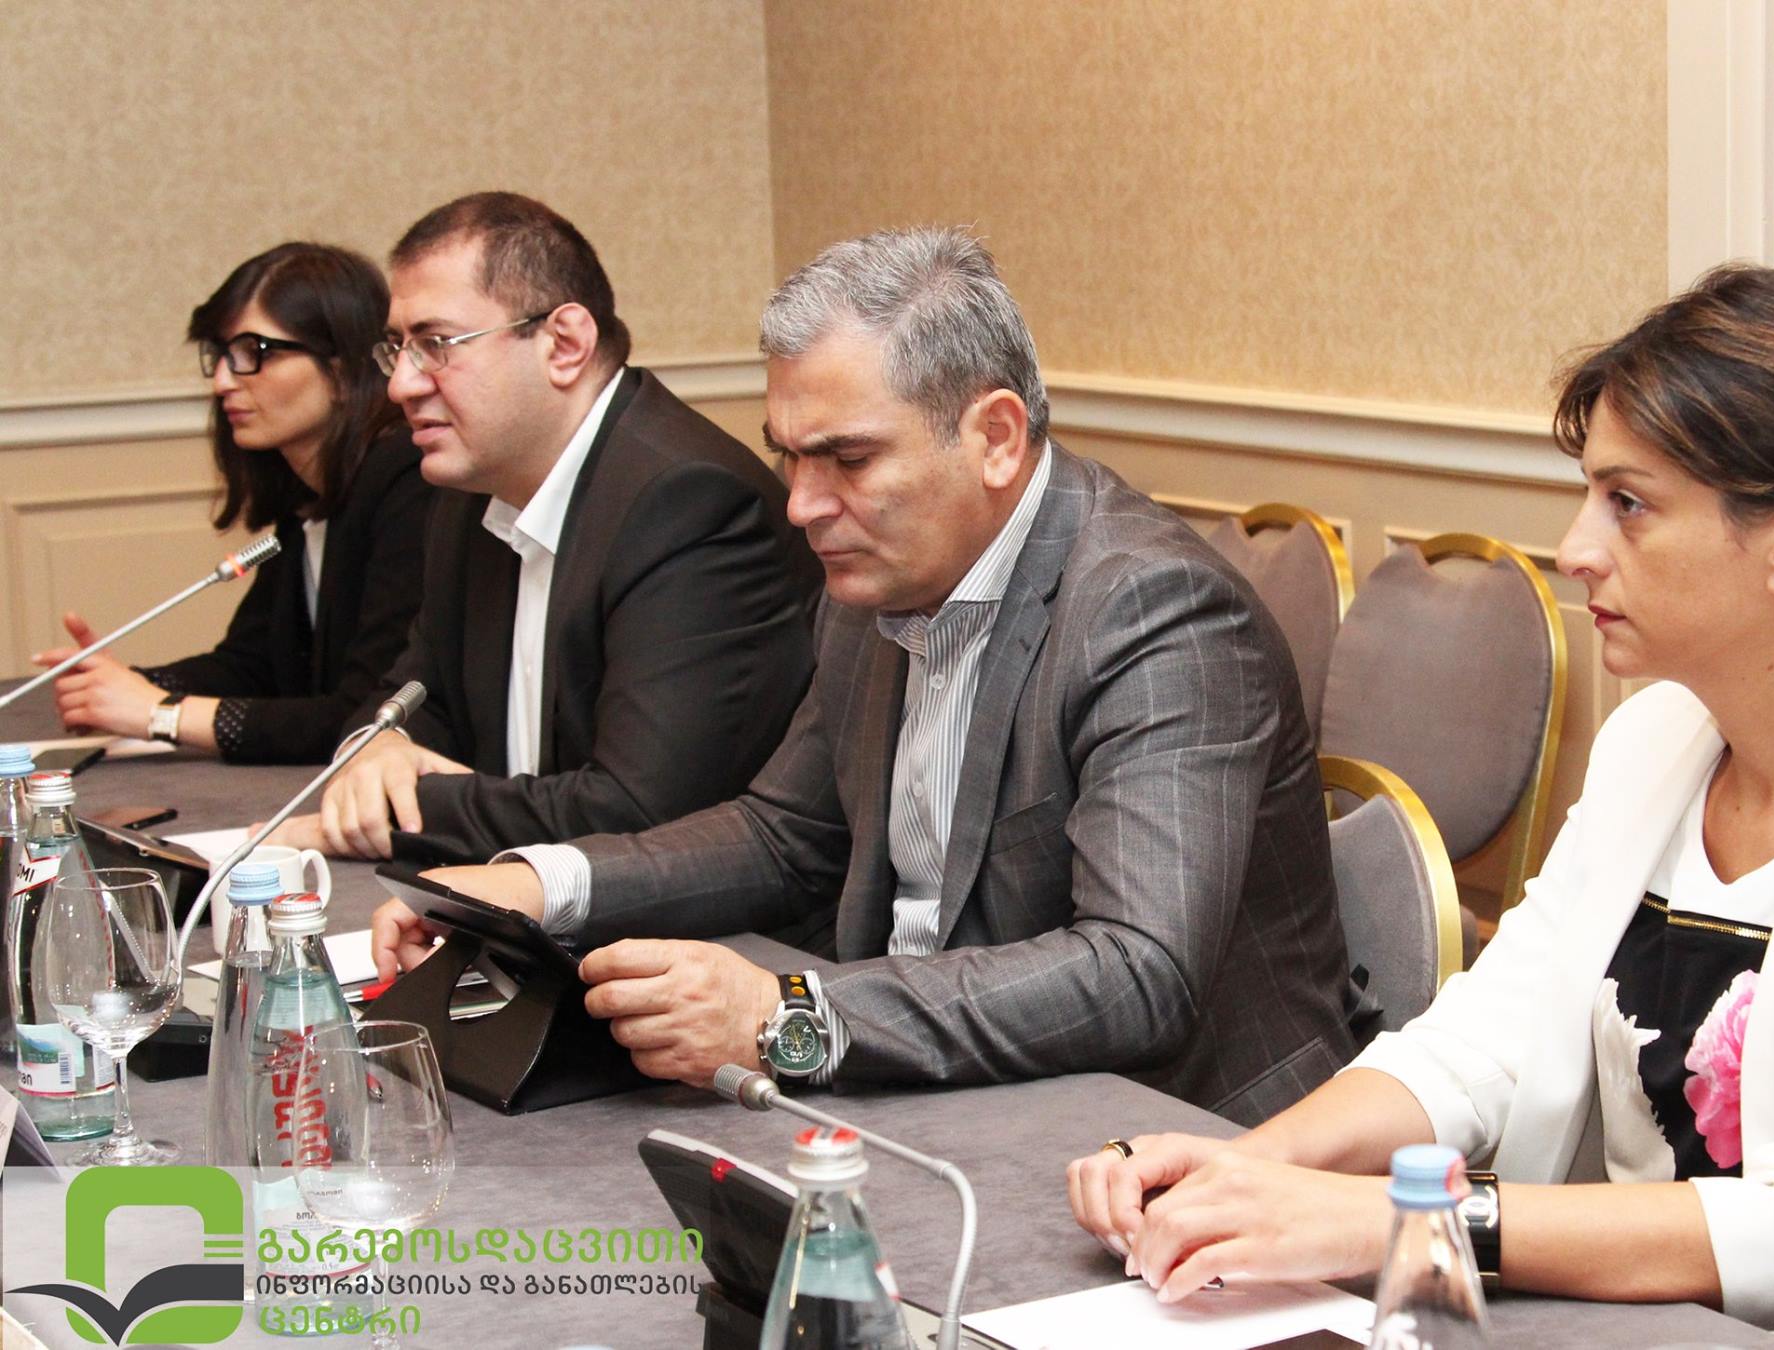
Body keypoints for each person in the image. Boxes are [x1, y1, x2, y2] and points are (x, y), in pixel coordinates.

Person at [1066, 265, 1774, 1347]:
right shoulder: (1651, 743)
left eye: (1628, 504)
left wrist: (1408, 1220)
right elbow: (1485, 1042)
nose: (1576, 550)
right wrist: (1247, 1167)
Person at [367, 227, 1360, 1125]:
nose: (802, 506)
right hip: (942, 1083)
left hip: (1173, 1130)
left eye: (846, 459)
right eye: (790, 458)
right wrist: (535, 887)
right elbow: (785, 835)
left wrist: (788, 1013)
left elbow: (1134, 973)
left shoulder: (1153, 611)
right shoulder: (875, 576)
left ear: (995, 438)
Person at [268, 192, 820, 865]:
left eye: (436, 345)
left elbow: (638, 813)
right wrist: (381, 748)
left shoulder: (688, 503)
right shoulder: (472, 496)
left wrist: (402, 814)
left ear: (564, 344)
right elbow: (411, 695)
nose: (401, 385)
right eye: (398, 348)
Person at [33, 243, 430, 764]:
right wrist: (122, 685)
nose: (223, 381)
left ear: (341, 369)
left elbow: (363, 716)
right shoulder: (308, 497)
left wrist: (161, 713)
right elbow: (254, 665)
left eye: (253, 352)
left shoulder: (410, 483)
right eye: (220, 354)